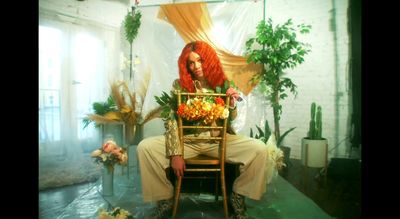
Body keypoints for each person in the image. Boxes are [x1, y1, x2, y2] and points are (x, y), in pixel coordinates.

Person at [137, 41, 269, 219]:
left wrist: (231, 105)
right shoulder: (180, 85)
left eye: (199, 60)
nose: (195, 66)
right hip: (188, 142)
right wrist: (176, 153)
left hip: (218, 141)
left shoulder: (223, 83)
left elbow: (231, 118)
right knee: (145, 147)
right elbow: (171, 119)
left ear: (209, 60)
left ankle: (238, 197)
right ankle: (165, 198)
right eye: (191, 63)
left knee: (259, 149)